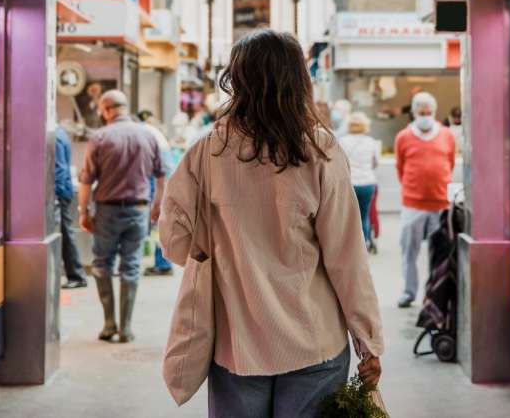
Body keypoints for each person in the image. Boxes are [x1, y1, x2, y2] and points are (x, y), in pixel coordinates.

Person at [155, 30, 383, 418]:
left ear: (237, 80)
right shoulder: (320, 150)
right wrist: (368, 341)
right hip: (316, 343)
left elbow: (174, 245)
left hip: (236, 345)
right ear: (299, 81)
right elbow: (348, 258)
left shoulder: (207, 151)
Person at [78, 90, 165, 343]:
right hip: (139, 210)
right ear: (125, 108)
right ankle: (126, 328)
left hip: (107, 210)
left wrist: (83, 211)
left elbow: (86, 180)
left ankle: (108, 325)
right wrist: (157, 205)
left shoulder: (100, 137)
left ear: (106, 110)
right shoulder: (148, 135)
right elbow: (162, 175)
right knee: (132, 266)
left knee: (102, 264)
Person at [394, 92, 455, 308]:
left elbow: (450, 162)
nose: (425, 116)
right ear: (414, 112)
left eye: (429, 113)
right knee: (409, 250)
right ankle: (409, 291)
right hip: (413, 205)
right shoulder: (403, 137)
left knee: (439, 253)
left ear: (434, 112)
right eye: (421, 113)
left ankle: (434, 294)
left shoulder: (447, 135)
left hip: (440, 204)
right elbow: (400, 167)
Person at [138, 109, 177, 276]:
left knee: (156, 224)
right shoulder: (148, 131)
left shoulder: (141, 132)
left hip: (159, 181)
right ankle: (162, 263)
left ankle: (163, 264)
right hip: (163, 179)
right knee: (157, 224)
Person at [338, 112, 380, 247]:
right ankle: (365, 243)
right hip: (368, 183)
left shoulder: (342, 141)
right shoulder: (371, 142)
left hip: (350, 184)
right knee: (364, 215)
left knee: (348, 217)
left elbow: (339, 163)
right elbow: (375, 163)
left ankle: (349, 246)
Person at [55, 124, 87, 289]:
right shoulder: (59, 132)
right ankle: (75, 273)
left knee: (66, 233)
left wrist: (54, 195)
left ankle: (76, 275)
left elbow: (58, 169)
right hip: (62, 191)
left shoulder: (55, 136)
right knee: (65, 232)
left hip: (60, 193)